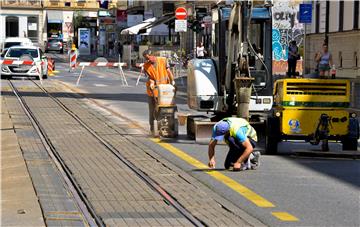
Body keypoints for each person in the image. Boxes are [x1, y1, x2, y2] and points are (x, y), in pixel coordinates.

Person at [142, 49, 175, 136]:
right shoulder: (146, 66)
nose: (148, 60)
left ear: (153, 55)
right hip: (152, 91)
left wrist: (172, 82)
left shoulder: (163, 60)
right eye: (146, 59)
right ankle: (153, 129)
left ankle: (167, 128)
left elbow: (169, 72)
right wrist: (152, 83)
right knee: (152, 111)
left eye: (149, 58)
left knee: (165, 110)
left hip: (164, 91)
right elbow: (150, 78)